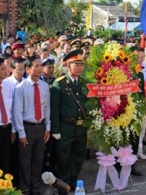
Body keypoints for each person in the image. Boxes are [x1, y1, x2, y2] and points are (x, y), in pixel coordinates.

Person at [50, 49, 87, 192]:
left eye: (81, 64)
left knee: (78, 155)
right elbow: (54, 109)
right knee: (63, 157)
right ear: (68, 65)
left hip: (81, 127)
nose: (79, 67)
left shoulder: (84, 83)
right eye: (75, 64)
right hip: (65, 127)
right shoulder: (59, 84)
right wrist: (56, 130)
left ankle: (73, 180)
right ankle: (63, 184)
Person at [13, 56, 51, 194]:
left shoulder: (44, 86)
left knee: (38, 160)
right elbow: (17, 112)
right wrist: (21, 133)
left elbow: (47, 108)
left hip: (40, 127)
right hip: (27, 128)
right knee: (25, 161)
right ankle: (25, 189)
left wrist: (48, 127)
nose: (40, 68)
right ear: (28, 69)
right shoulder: (20, 88)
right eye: (36, 65)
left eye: (41, 65)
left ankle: (36, 188)